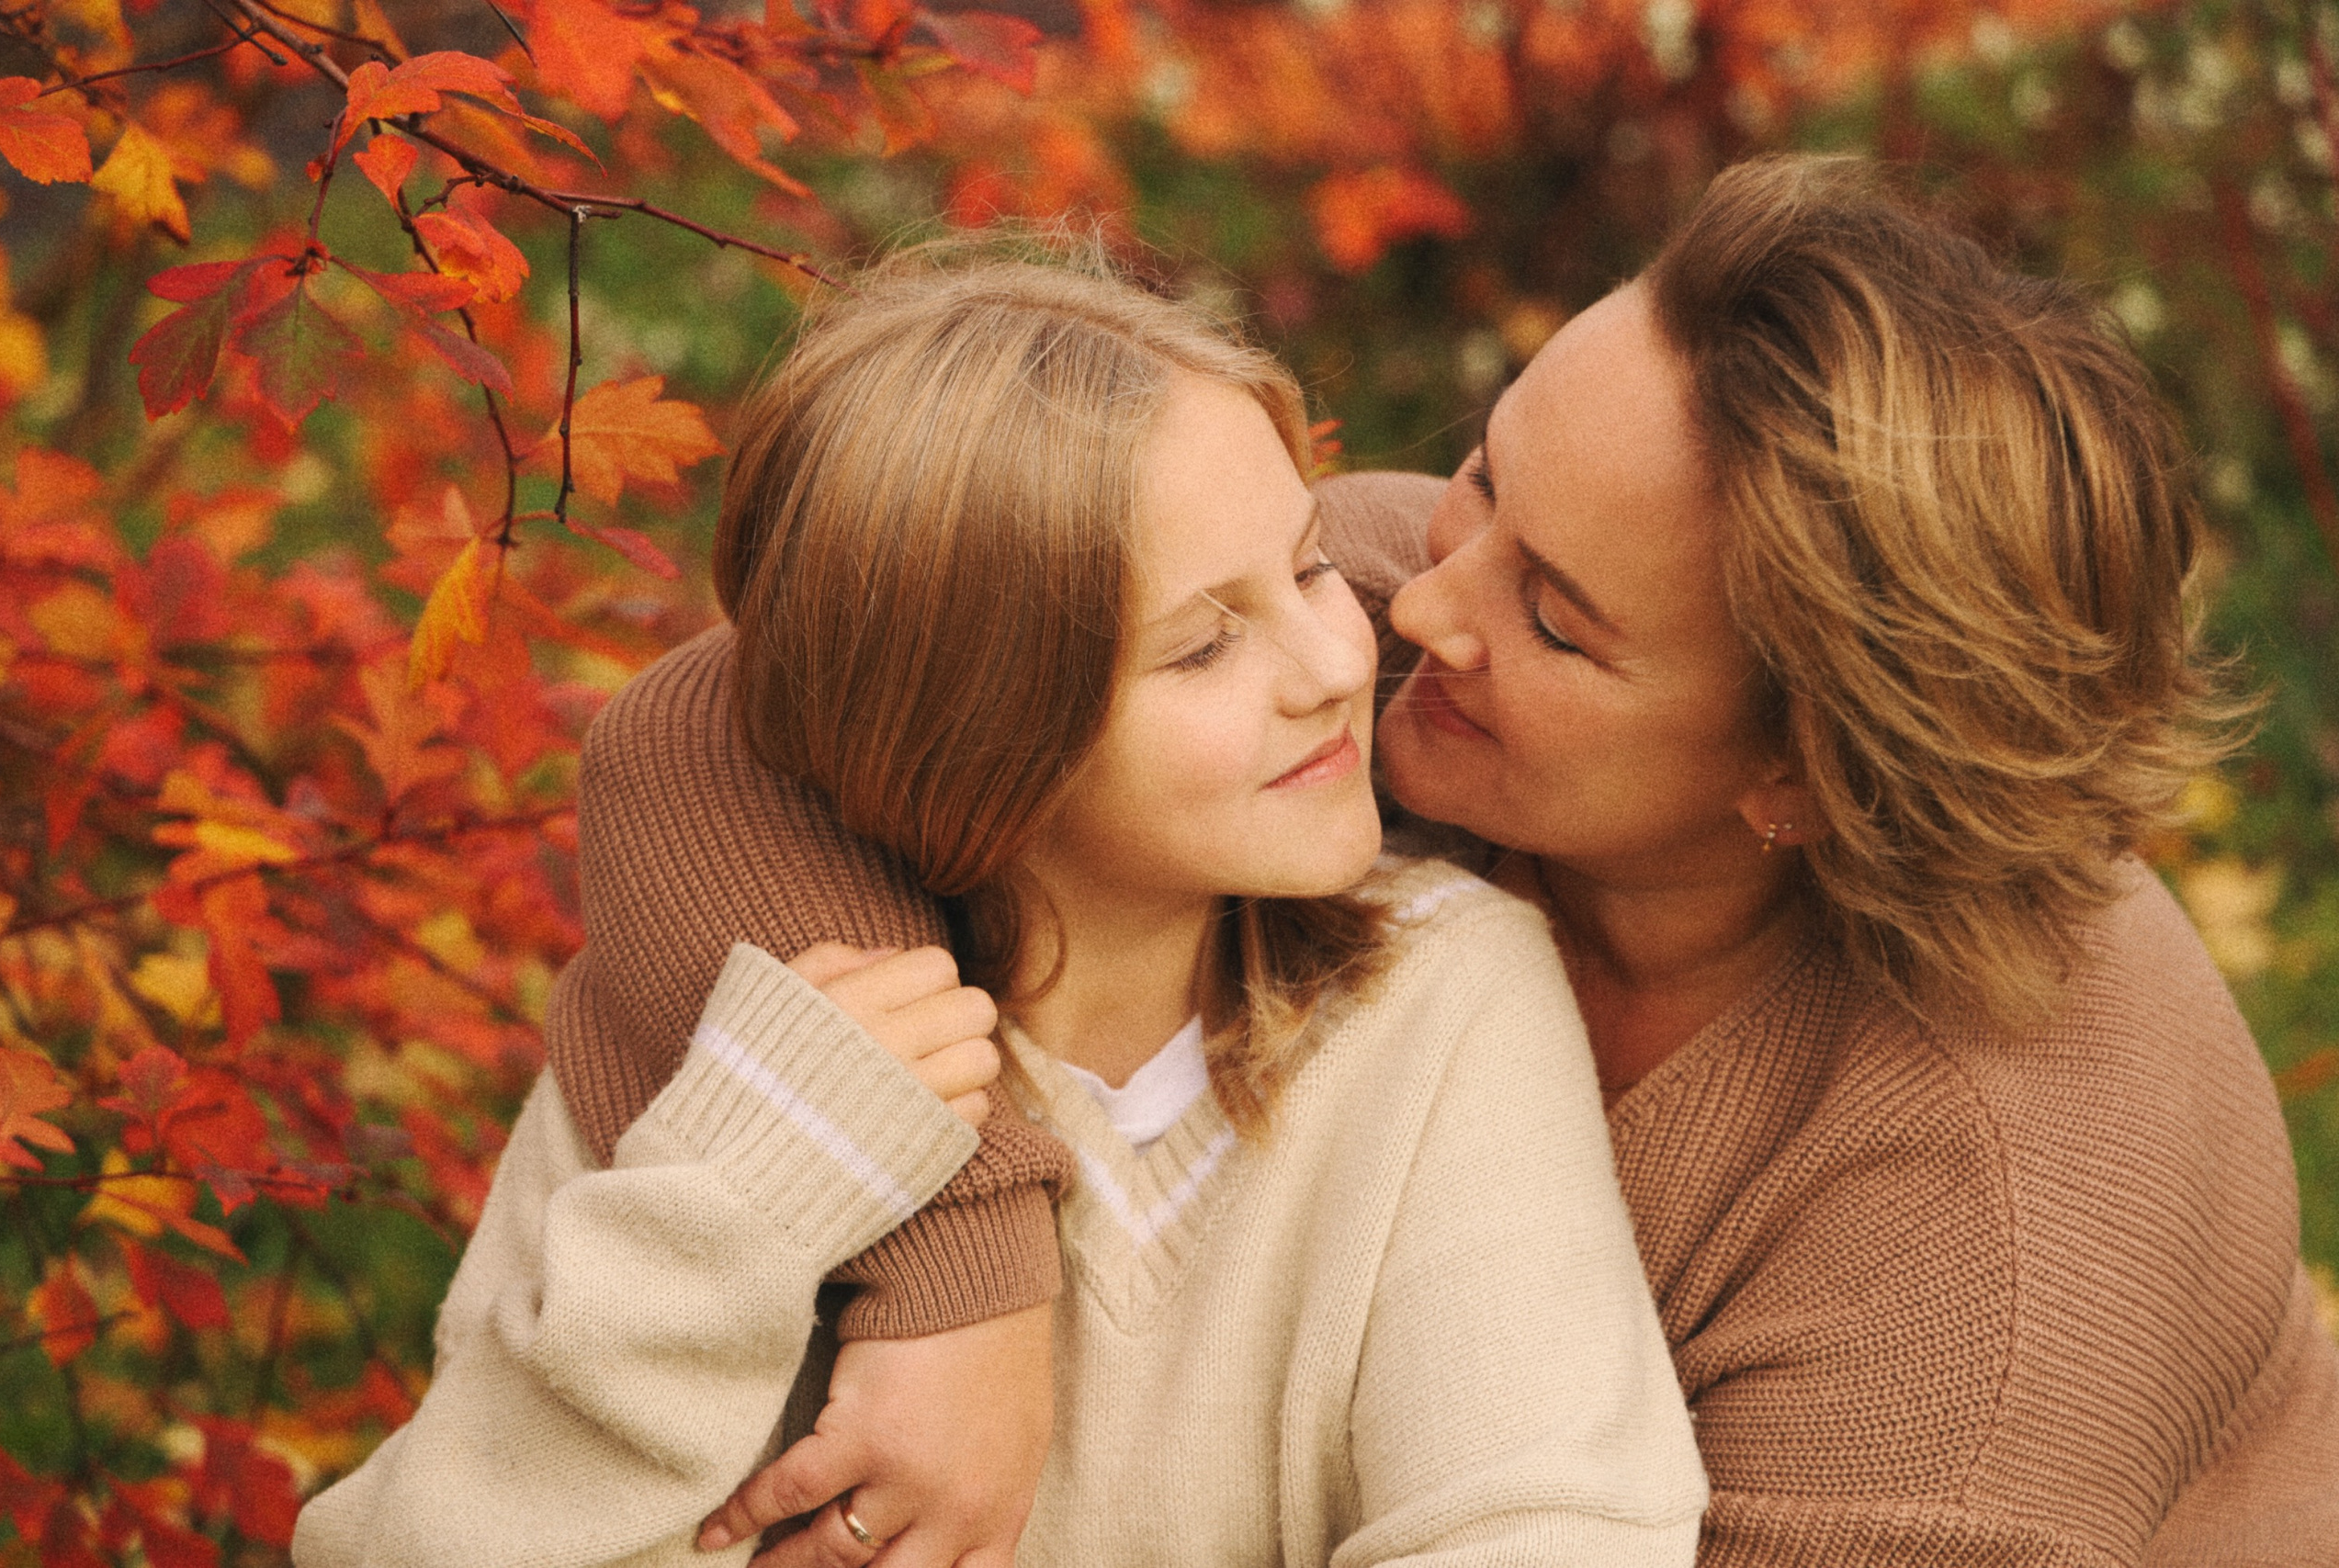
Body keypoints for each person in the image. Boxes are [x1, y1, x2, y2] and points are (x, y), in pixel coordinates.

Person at [592, 157, 2339, 1566]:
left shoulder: (1975, 1316)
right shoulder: (1369, 651)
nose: (1411, 607)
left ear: (1807, 779)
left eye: (1558, 624)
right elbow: (714, 728)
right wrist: (963, 1267)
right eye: (1489, 476)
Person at [291, 242, 1707, 1568]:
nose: (1338, 660)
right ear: (981, 736)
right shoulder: (757, 1070)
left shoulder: (1442, 999)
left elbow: (1550, 1527)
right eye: (1206, 645)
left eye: (1309, 569)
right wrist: (738, 1209)